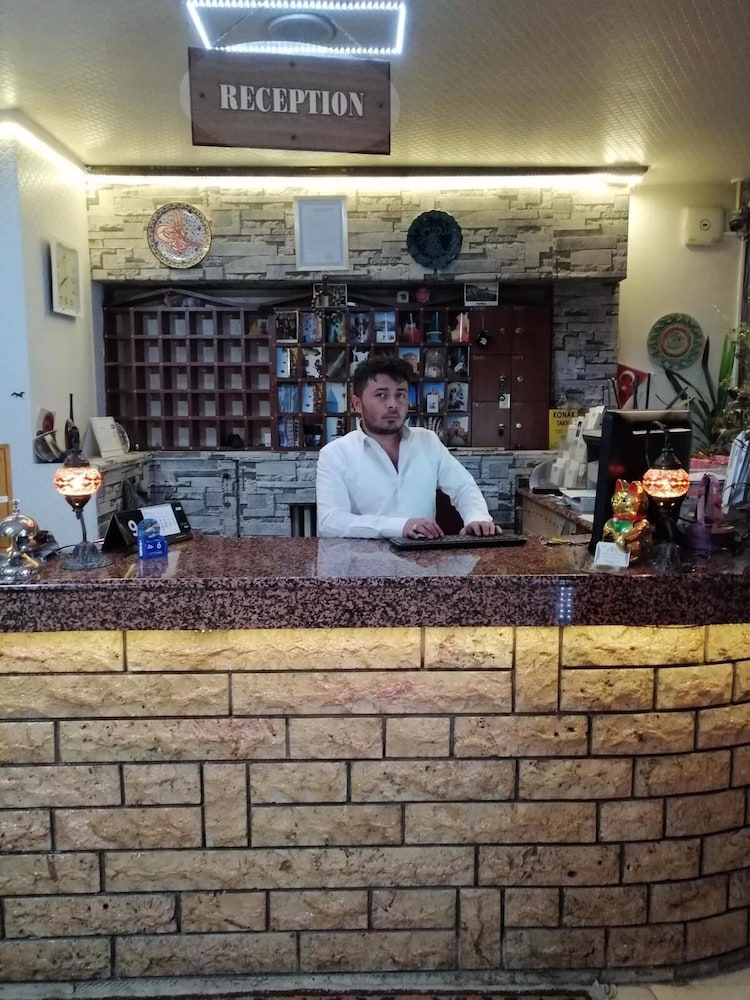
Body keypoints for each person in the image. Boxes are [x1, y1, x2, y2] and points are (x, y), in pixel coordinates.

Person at [315, 355, 500, 539]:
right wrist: (400, 526)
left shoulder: (427, 441)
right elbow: (330, 522)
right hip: (363, 556)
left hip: (423, 555)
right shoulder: (335, 454)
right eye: (381, 395)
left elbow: (463, 487)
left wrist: (477, 518)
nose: (393, 405)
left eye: (401, 395)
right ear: (357, 404)